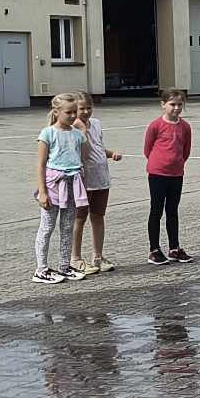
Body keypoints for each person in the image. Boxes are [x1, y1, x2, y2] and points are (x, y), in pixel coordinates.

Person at [34, 93, 88, 283]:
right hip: (53, 186)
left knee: (67, 227)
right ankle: (41, 269)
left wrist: (83, 186)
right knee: (47, 227)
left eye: (75, 112)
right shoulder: (47, 133)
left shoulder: (77, 135)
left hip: (73, 185)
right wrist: (42, 192)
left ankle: (64, 266)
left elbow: (82, 161)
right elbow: (40, 165)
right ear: (56, 112)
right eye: (68, 112)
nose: (73, 116)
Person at [69, 93, 123, 275]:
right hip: (84, 180)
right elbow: (77, 150)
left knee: (98, 216)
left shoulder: (97, 124)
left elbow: (98, 147)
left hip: (101, 178)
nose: (85, 112)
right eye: (81, 109)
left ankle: (97, 256)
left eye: (88, 108)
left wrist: (111, 154)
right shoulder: (72, 128)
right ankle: (75, 258)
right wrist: (80, 129)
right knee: (79, 218)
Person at [143, 89, 193, 265]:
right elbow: (147, 148)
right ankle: (154, 249)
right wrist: (159, 163)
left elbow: (186, 150)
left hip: (176, 173)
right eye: (172, 104)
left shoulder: (185, 126)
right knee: (156, 210)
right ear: (163, 105)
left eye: (180, 105)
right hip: (158, 173)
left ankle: (174, 247)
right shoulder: (155, 125)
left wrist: (177, 163)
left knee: (172, 210)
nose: (176, 108)